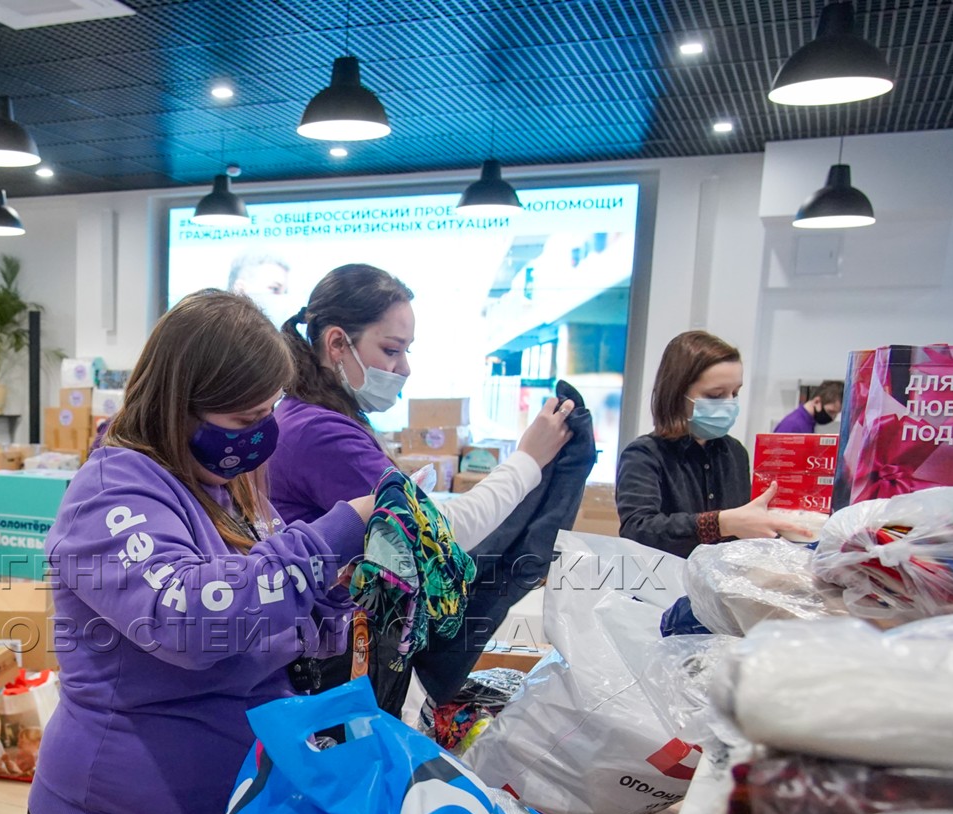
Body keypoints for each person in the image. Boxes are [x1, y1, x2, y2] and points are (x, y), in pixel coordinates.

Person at [27, 289, 374, 814]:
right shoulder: (111, 490)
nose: (262, 435)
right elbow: (192, 620)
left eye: (268, 414)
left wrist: (334, 599)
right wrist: (332, 536)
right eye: (245, 419)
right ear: (183, 400)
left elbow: (265, 617)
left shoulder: (227, 485)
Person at [265, 264, 575, 706]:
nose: (404, 367)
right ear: (337, 343)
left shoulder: (316, 417)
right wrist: (528, 461)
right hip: (327, 660)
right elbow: (438, 534)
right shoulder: (322, 432)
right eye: (392, 350)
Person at [617, 330, 814, 558]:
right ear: (677, 393)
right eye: (715, 395)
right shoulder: (644, 454)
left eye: (735, 393)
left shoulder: (735, 452)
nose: (729, 404)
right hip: (664, 586)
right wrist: (721, 523)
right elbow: (638, 529)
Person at [773, 379, 844, 433]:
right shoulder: (792, 425)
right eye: (831, 412)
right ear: (817, 401)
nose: (833, 418)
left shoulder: (808, 423)